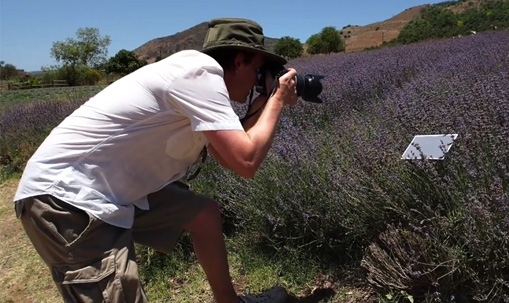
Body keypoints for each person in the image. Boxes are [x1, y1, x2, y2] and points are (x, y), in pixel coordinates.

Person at [13, 17, 298, 303]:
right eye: (259, 70)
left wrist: (264, 101)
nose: (259, 79)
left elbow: (229, 158)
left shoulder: (198, 84)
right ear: (238, 61)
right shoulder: (198, 75)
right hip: (67, 199)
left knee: (204, 215)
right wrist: (277, 100)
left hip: (112, 188)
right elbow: (245, 162)